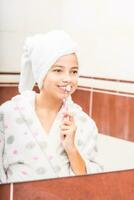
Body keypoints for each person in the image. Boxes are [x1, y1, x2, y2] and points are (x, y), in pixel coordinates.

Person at [0, 30, 102, 184]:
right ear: (41, 73)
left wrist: (71, 149)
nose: (68, 78)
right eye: (58, 70)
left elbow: (92, 184)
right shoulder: (9, 115)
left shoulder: (84, 123)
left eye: (73, 71)